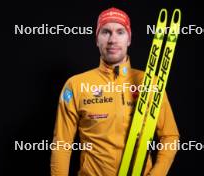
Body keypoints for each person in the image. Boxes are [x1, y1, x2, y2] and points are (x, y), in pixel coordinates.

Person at [50, 7, 179, 176]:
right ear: (97, 39)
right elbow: (62, 143)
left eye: (120, 32)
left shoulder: (151, 83)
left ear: (129, 39)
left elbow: (170, 137)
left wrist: (157, 174)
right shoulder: (76, 85)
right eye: (105, 32)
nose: (112, 39)